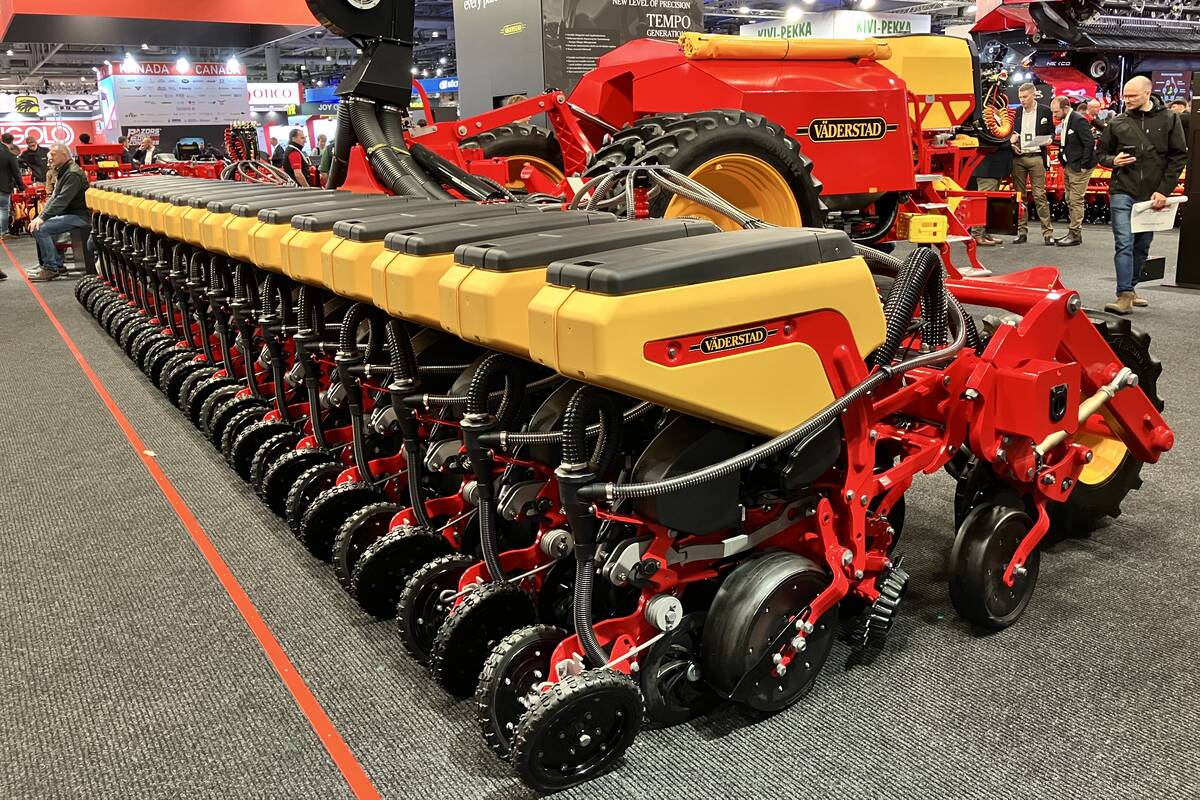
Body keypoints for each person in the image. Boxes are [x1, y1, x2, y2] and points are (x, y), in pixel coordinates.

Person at [1097, 76, 1189, 314]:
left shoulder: (1169, 119)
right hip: (1122, 190)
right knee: (1124, 242)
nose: (1127, 100)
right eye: (1125, 96)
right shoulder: (1117, 122)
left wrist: (1163, 190)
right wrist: (1113, 161)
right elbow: (1101, 154)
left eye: (1132, 96)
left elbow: (1178, 157)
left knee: (1142, 245)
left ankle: (1131, 287)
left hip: (1151, 195)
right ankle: (1124, 293)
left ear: (1148, 94)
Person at [28, 143, 92, 282]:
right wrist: (41, 216)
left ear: (64, 155)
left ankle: (51, 268)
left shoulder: (72, 173)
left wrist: (43, 217)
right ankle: (55, 264)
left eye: (53, 154)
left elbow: (62, 200)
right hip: (71, 214)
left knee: (40, 228)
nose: (49, 157)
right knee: (38, 224)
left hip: (80, 216)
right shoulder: (64, 171)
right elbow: (55, 197)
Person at [1009, 83, 1055, 244]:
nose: (1022, 100)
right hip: (1019, 157)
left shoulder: (1045, 111)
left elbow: (1051, 132)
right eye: (1020, 97)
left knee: (1039, 195)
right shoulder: (1016, 112)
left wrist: (1049, 140)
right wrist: (1012, 144)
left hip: (1036, 156)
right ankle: (1021, 231)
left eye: (1025, 97)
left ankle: (1047, 233)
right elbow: (1011, 133)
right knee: (1019, 196)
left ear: (1034, 95)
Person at [1051, 95, 1096, 247]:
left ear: (1065, 108)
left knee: (1075, 200)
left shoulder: (1078, 120)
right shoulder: (1067, 119)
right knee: (1070, 199)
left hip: (1079, 167)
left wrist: (1083, 165)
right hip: (1070, 164)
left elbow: (1089, 143)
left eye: (1056, 112)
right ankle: (1073, 232)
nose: (1054, 115)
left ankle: (1075, 233)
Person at [969, 147, 1011, 247]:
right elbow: (989, 142)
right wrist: (1009, 142)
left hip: (995, 169)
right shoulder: (991, 136)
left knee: (991, 204)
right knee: (983, 202)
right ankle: (976, 234)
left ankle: (984, 233)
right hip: (987, 170)